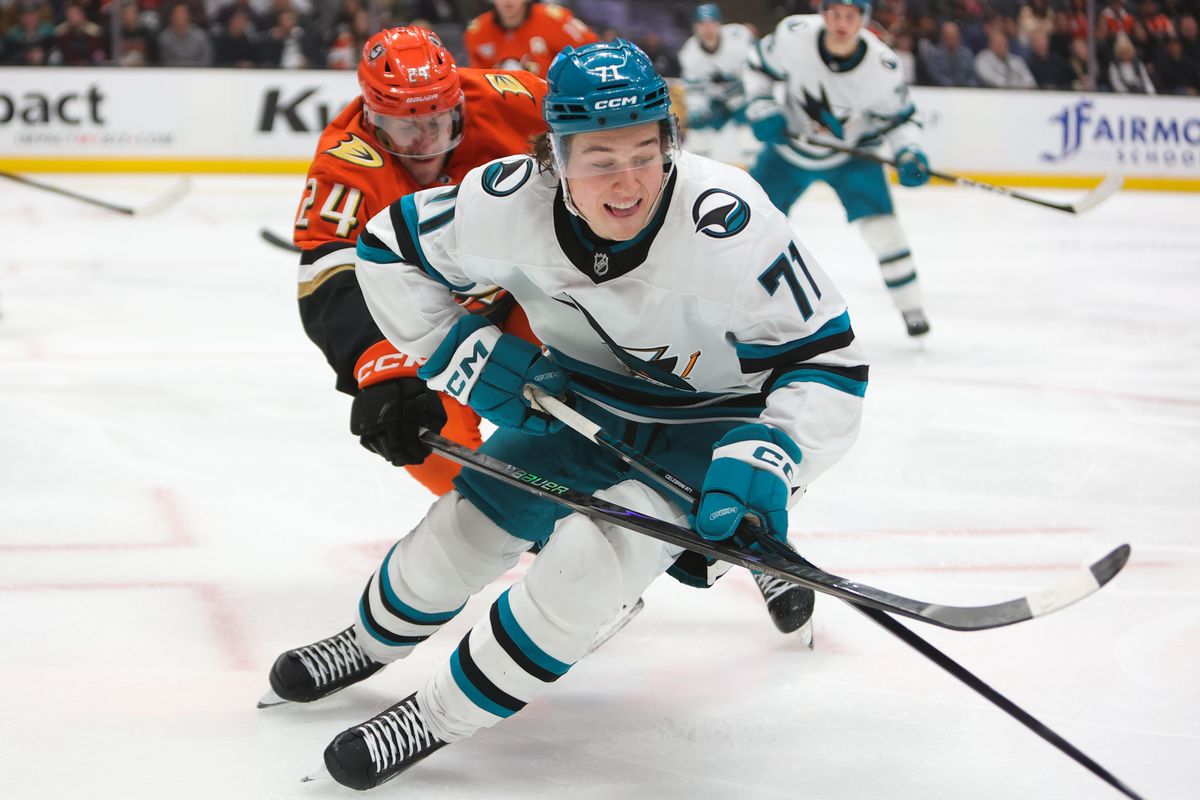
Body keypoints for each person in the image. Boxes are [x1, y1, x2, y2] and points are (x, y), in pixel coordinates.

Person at [304, 39, 866, 790]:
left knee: (584, 570)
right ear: (554, 157)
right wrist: (463, 358)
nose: (628, 181)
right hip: (573, 401)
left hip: (706, 429)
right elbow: (384, 251)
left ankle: (433, 716)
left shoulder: (732, 224)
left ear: (671, 142)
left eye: (646, 150)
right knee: (458, 533)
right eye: (600, 157)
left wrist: (773, 454)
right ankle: (367, 640)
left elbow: (827, 362)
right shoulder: (504, 202)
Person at [744, 0, 934, 337]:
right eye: (833, 13)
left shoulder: (882, 66)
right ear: (822, 14)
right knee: (746, 226)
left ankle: (911, 307)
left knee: (884, 230)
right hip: (788, 151)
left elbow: (900, 120)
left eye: (850, 15)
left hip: (852, 156)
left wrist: (908, 151)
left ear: (864, 18)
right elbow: (757, 64)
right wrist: (761, 104)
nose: (840, 23)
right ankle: (735, 301)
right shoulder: (794, 34)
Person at [677, 3, 758, 165]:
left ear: (719, 24)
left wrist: (752, 94)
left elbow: (757, 66)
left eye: (711, 23)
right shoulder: (689, 53)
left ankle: (753, 166)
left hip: (744, 96)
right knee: (702, 131)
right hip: (716, 101)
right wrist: (697, 109)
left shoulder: (738, 37)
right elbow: (695, 90)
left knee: (753, 134)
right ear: (696, 27)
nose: (708, 29)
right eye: (702, 24)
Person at [463, 0, 597, 76]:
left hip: (551, 107)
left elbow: (594, 55)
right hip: (503, 110)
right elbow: (479, 82)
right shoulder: (477, 31)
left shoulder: (556, 20)